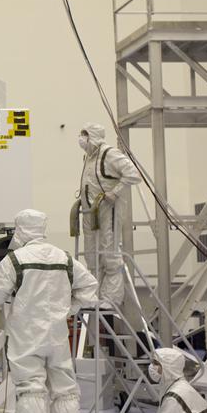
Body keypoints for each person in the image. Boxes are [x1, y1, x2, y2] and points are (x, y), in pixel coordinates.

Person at [0, 209, 99, 413]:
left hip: (27, 335)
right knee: (65, 389)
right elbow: (90, 288)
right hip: (58, 335)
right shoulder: (64, 257)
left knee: (31, 388)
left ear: (20, 229)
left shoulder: (15, 260)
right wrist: (67, 310)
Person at [76, 122, 141, 309]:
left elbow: (133, 174)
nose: (81, 138)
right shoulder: (89, 157)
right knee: (91, 255)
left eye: (85, 134)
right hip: (90, 211)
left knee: (109, 254)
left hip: (107, 210)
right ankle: (93, 295)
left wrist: (116, 192)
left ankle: (110, 299)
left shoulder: (109, 154)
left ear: (94, 136)